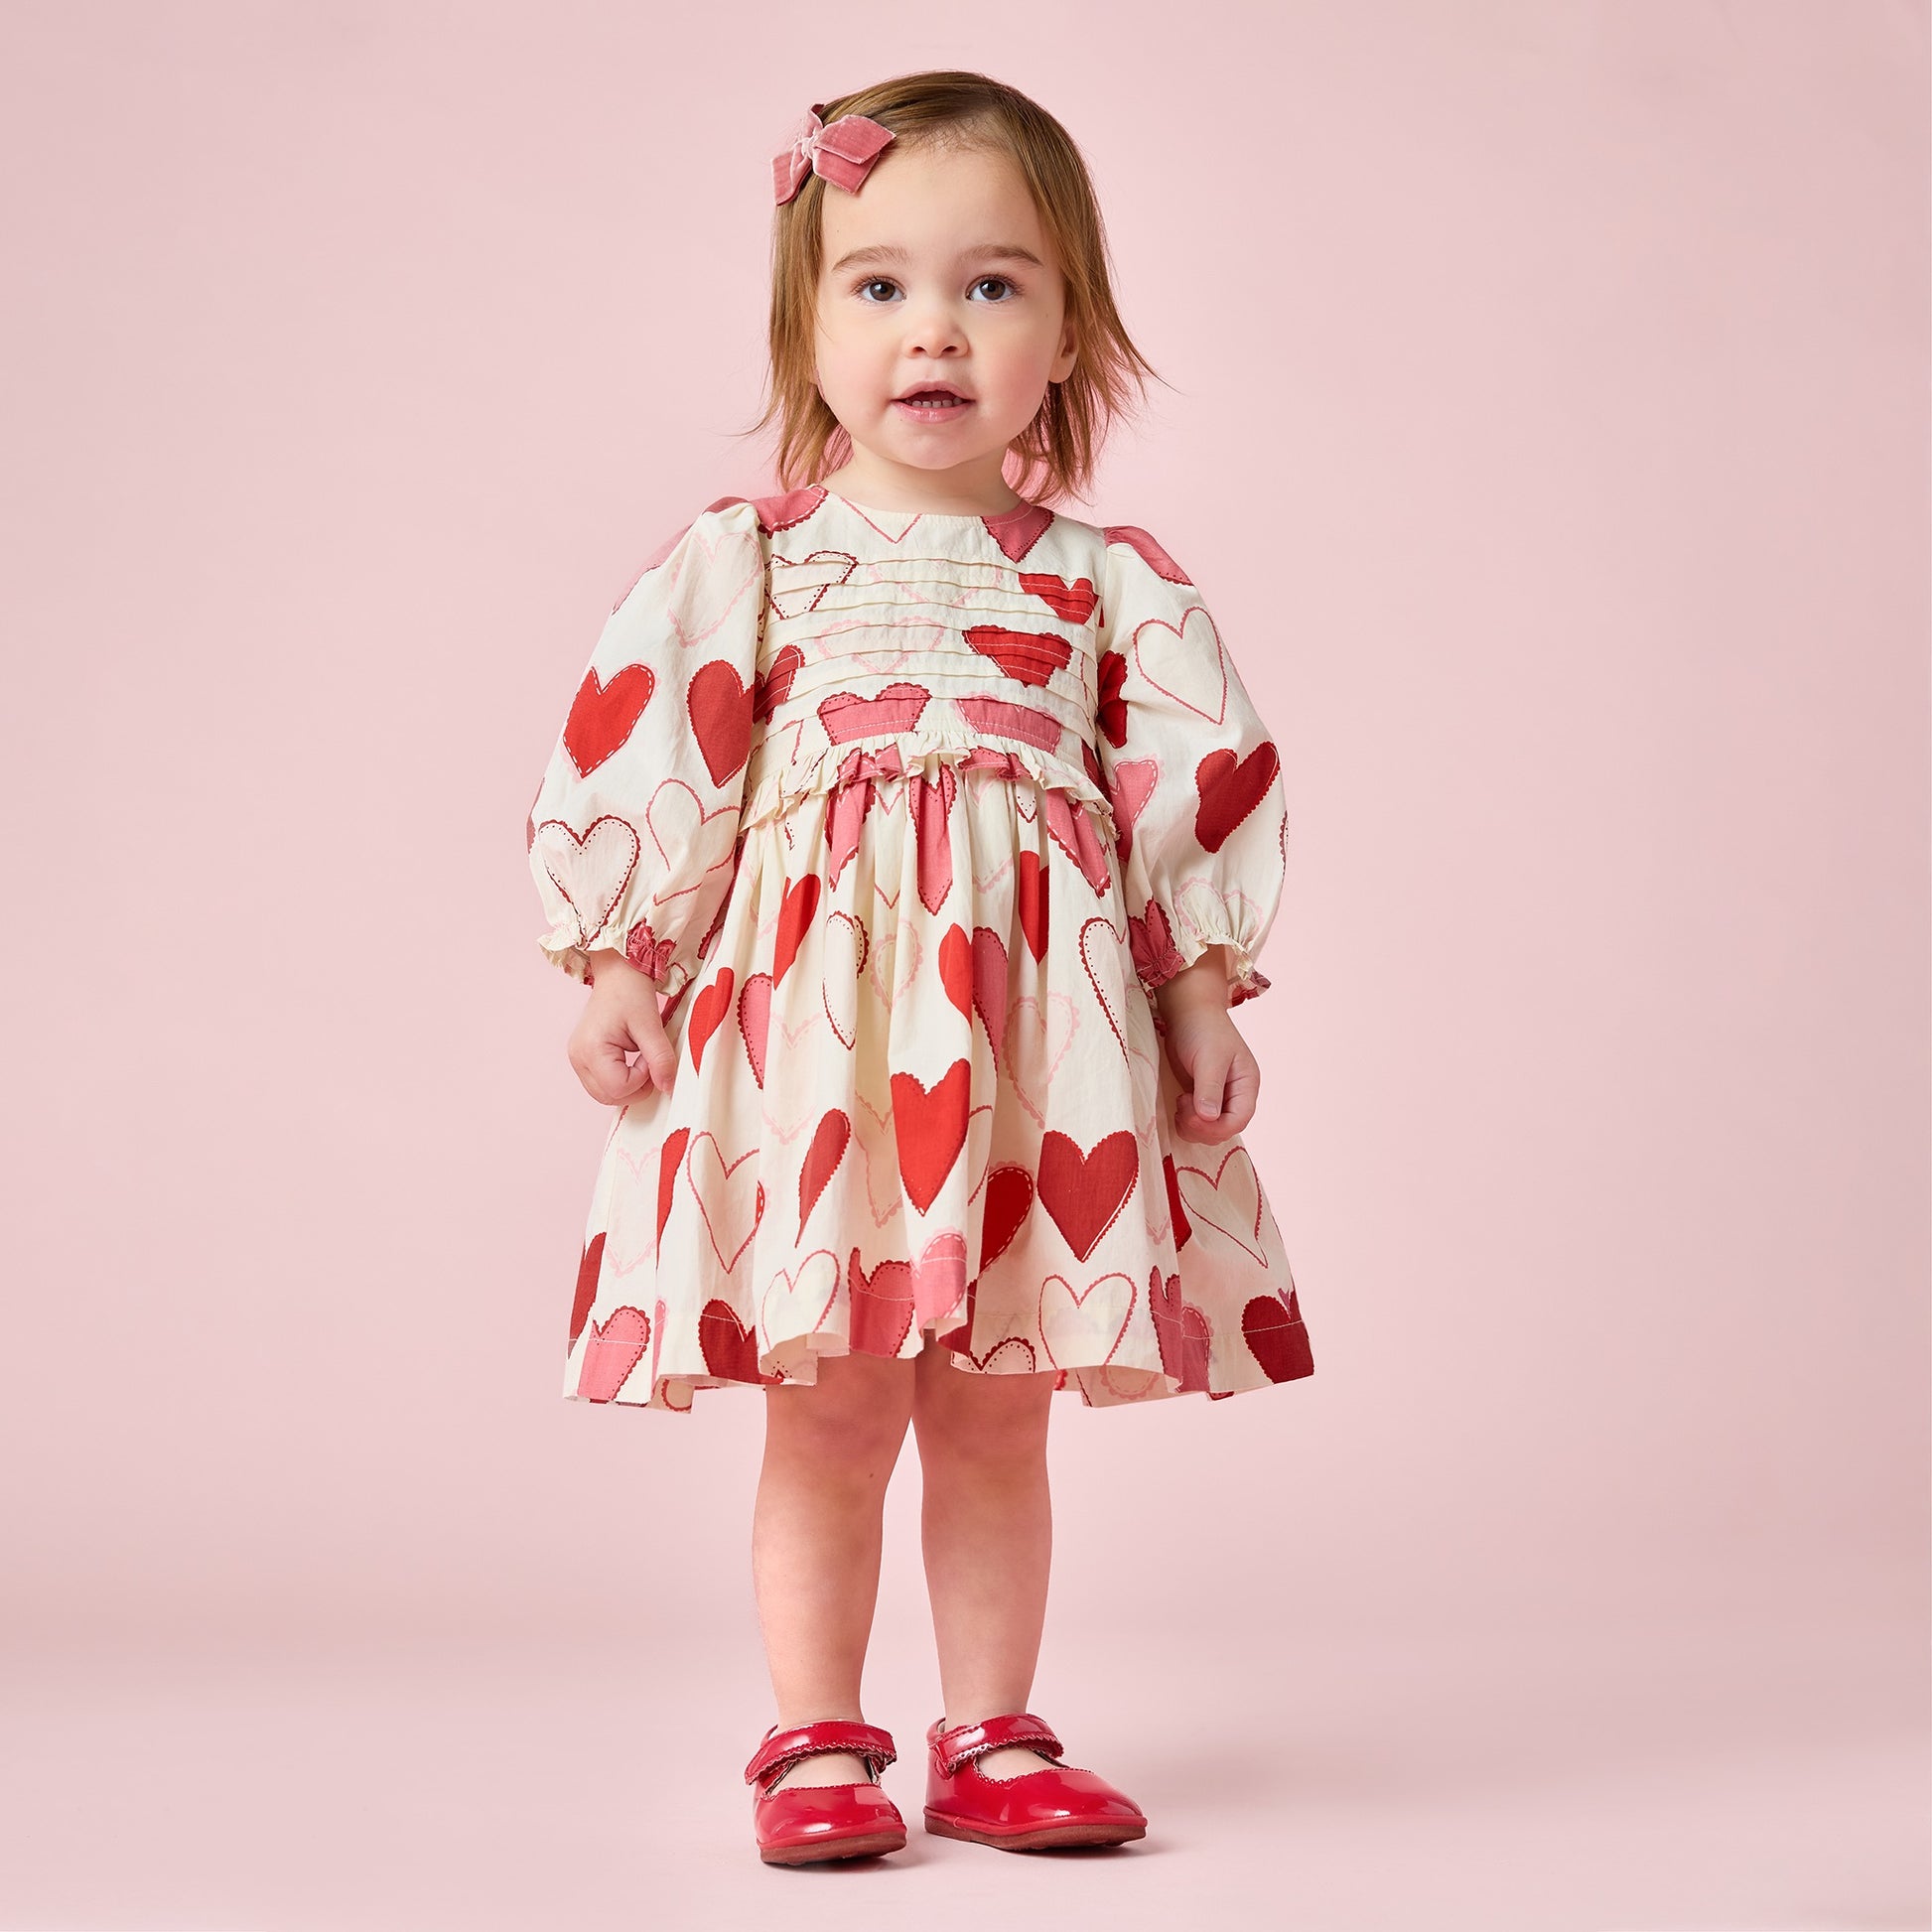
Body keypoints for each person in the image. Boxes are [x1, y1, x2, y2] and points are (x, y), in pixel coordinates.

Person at [524, 69, 1314, 1865]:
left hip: (1033, 1056)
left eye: (991, 285)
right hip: (824, 1056)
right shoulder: (752, 562)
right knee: (831, 1406)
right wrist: (621, 958)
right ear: (806, 326)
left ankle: (990, 1734)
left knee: (999, 1408)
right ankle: (814, 1736)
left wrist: (1198, 995)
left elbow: (1183, 789)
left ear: (1068, 332)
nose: (932, 329)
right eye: (878, 284)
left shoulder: (1106, 584)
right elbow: (660, 756)